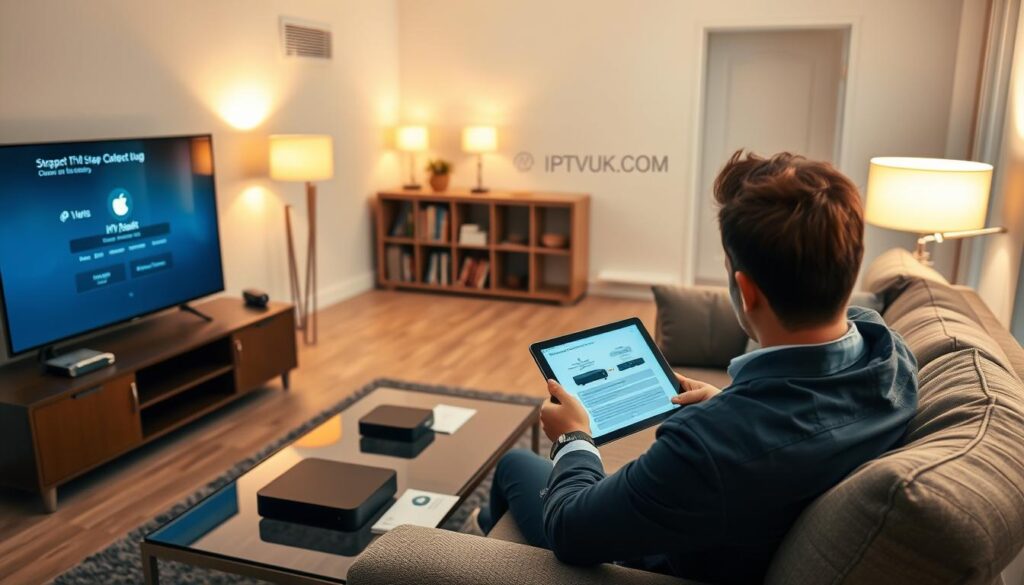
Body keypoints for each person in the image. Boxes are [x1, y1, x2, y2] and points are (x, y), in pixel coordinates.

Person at [470, 150, 919, 584]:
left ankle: (483, 554)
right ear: (850, 263)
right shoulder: (890, 356)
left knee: (513, 465)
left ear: (745, 290)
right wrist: (728, 402)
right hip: (734, 515)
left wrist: (573, 437)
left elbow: (570, 530)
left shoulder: (707, 444)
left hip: (660, 560)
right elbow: (802, 424)